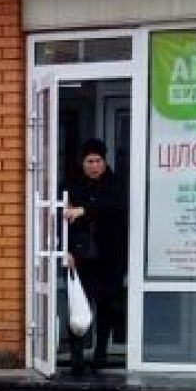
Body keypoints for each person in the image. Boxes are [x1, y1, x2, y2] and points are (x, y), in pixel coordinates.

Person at [63, 139, 129, 374]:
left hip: (110, 258)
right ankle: (77, 357)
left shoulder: (115, 184)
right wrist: (66, 250)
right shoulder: (71, 185)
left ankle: (101, 355)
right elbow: (60, 220)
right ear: (82, 163)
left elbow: (115, 207)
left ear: (104, 161)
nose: (94, 166)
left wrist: (84, 210)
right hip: (81, 258)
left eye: (98, 161)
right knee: (79, 306)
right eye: (89, 161)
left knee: (107, 307)